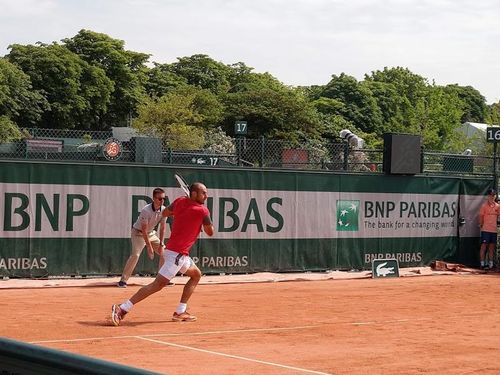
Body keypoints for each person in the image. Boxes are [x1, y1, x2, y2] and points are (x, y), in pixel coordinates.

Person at [111, 182, 214, 325]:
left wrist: (183, 212)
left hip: (178, 253)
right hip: (176, 255)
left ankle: (180, 311)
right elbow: (210, 232)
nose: (206, 196)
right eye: (204, 193)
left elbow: (165, 213)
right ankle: (122, 308)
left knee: (196, 275)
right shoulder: (202, 211)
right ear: (195, 194)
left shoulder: (179, 201)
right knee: (157, 285)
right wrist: (200, 220)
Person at [117, 188, 167, 288]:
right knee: (135, 255)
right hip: (138, 233)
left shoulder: (164, 210)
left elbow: (162, 228)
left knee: (165, 253)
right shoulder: (146, 210)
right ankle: (123, 280)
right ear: (154, 198)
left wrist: (161, 243)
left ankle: (162, 279)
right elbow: (143, 230)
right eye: (159, 199)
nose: (162, 201)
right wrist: (149, 247)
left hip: (151, 233)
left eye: (163, 198)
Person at [478, 188, 500, 270]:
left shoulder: (498, 206)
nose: (492, 196)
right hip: (485, 230)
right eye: (491, 195)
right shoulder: (484, 206)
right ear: (488, 196)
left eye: (493, 195)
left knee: (492, 247)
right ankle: (482, 264)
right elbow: (480, 217)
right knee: (483, 246)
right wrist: (481, 225)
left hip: (493, 230)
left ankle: (490, 265)